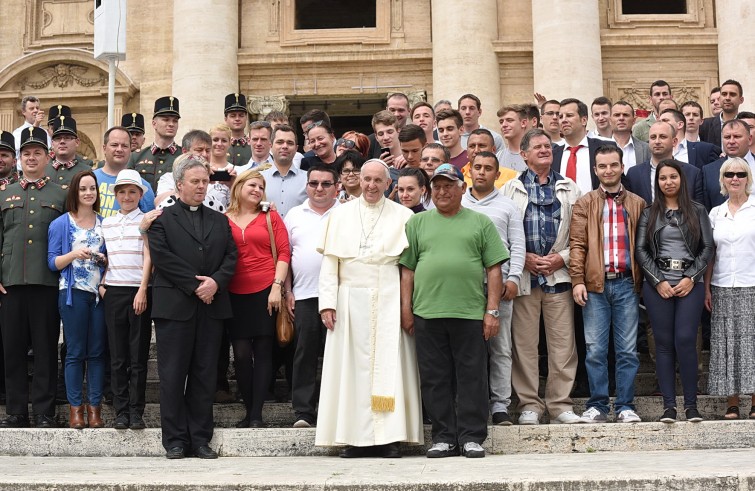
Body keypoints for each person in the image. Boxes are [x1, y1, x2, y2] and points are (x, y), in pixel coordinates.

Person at [316, 159, 423, 458]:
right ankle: (353, 438)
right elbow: (330, 264)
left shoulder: (404, 216)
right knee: (351, 369)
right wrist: (327, 303)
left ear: (388, 184)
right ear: (357, 181)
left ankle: (390, 438)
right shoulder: (339, 216)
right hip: (348, 299)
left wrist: (407, 307)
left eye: (379, 180)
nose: (372, 186)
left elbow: (409, 268)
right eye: (367, 180)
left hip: (389, 295)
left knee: (390, 368)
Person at [401, 163, 509, 458]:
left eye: (449, 185)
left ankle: (472, 436)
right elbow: (407, 271)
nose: (442, 191)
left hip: (470, 313)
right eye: (437, 186)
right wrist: (406, 311)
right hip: (427, 313)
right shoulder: (417, 223)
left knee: (472, 376)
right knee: (435, 377)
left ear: (462, 187)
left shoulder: (480, 222)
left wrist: (492, 311)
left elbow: (495, 269)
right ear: (429, 190)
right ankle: (444, 437)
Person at [148, 155, 237, 459]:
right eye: (195, 182)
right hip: (175, 307)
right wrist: (198, 285)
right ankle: (174, 440)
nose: (201, 187)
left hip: (211, 308)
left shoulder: (219, 220)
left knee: (204, 374)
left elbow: (230, 257)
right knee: (172, 376)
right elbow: (162, 258)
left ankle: (200, 439)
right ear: (179, 185)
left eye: (205, 181)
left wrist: (216, 283)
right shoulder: (162, 219)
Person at [500, 128, 583, 425]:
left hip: (558, 277)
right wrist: (524, 260)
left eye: (548, 145)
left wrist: (561, 258)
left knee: (563, 345)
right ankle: (529, 406)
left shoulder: (569, 187)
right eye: (537, 146)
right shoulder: (509, 189)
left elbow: (582, 237)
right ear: (523, 154)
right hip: (524, 278)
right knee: (524, 346)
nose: (545, 150)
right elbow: (502, 238)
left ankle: (560, 405)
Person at [569, 146, 645, 424]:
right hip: (595, 286)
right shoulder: (585, 203)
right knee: (596, 349)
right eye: (602, 166)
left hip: (626, 284)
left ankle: (626, 405)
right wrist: (577, 279)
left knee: (627, 349)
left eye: (613, 165)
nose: (608, 170)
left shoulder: (637, 203)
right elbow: (577, 244)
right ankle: (598, 405)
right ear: (595, 170)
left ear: (622, 167)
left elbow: (644, 247)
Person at [635, 159, 713, 424]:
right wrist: (657, 281)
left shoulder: (698, 210)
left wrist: (692, 277)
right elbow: (641, 251)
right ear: (657, 183)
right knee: (664, 344)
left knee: (685, 339)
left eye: (673, 177)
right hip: (658, 285)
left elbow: (707, 248)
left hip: (689, 283)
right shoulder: (649, 213)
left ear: (682, 180)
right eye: (662, 178)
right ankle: (669, 407)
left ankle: (691, 406)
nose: (668, 182)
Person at [0, 127, 67, 429]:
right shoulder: (5, 194)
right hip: (10, 283)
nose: (31, 157)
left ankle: (44, 411)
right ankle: (16, 411)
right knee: (12, 350)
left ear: (47, 156)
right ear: (18, 159)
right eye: (25, 153)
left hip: (46, 283)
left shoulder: (60, 194)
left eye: (37, 152)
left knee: (44, 350)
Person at [461, 152, 526, 426]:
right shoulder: (458, 202)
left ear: (497, 175)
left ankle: (500, 405)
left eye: (488, 168)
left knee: (500, 348)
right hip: (465, 287)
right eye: (477, 167)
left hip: (499, 287)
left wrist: (514, 279)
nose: (482, 173)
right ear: (470, 171)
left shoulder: (508, 206)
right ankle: (470, 403)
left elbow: (518, 245)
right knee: (468, 349)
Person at [226, 169, 290, 428]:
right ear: (239, 186)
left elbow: (284, 252)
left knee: (263, 352)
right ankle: (247, 408)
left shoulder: (270, 216)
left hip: (266, 289)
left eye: (261, 187)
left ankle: (257, 414)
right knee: (241, 354)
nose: (257, 191)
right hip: (234, 292)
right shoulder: (224, 218)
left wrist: (277, 286)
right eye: (252, 185)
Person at [47, 170, 107, 429]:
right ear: (75, 192)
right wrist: (73, 255)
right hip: (72, 295)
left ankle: (95, 409)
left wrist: (103, 263)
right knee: (75, 352)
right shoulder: (61, 223)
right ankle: (76, 410)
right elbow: (53, 262)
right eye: (83, 188)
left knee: (96, 353)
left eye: (92, 188)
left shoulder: (105, 222)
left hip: (99, 296)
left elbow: (111, 260)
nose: (88, 193)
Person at [285, 164, 340, 428]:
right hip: (305, 295)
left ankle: (336, 408)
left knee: (338, 354)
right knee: (304, 352)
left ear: (336, 187)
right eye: (314, 183)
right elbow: (285, 256)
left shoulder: (347, 213)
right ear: (306, 186)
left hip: (340, 296)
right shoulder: (294, 215)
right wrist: (287, 290)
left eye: (326, 183)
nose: (319, 188)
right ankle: (304, 412)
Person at [101, 169, 154, 430]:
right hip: (114, 291)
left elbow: (149, 256)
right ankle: (121, 411)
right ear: (115, 195)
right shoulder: (107, 223)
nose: (127, 196)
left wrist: (143, 289)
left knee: (137, 356)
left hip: (137, 290)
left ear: (140, 194)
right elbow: (107, 258)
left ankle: (136, 411)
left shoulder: (146, 220)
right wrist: (103, 284)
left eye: (132, 191)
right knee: (117, 355)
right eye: (122, 191)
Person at [704, 157, 755, 420]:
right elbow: (711, 254)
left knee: (752, 344)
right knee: (726, 344)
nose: (735, 179)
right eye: (729, 174)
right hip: (723, 285)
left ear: (748, 178)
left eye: (740, 174)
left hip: (752, 284)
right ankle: (732, 403)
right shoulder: (715, 213)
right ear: (722, 180)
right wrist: (707, 288)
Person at [94, 126, 156, 218]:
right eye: (114, 145)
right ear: (104, 148)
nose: (119, 149)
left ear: (130, 149)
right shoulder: (90, 179)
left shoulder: (142, 185)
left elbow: (149, 221)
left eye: (125, 146)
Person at [129, 96, 182, 192]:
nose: (171, 124)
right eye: (166, 120)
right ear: (154, 124)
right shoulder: (136, 157)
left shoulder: (184, 156)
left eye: (175, 121)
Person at [45, 117, 93, 187]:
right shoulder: (43, 171)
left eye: (67, 138)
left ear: (77, 142)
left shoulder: (87, 171)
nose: (62, 142)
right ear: (52, 143)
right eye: (58, 138)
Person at [224, 93, 252, 167]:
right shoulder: (220, 145)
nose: (237, 119)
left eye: (241, 115)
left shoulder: (253, 145)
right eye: (233, 116)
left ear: (246, 118)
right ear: (226, 119)